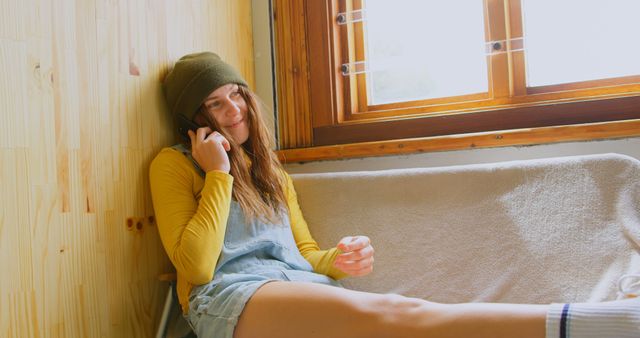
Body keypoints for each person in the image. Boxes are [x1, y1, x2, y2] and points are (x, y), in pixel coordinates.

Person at [149, 52, 640, 338]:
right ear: (194, 121)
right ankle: (595, 325)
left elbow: (302, 255)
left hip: (293, 286)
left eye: (236, 94)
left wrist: (339, 260)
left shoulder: (271, 172)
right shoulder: (175, 165)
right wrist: (218, 175)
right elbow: (193, 270)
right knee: (398, 314)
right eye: (214, 104)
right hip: (229, 298)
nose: (233, 110)